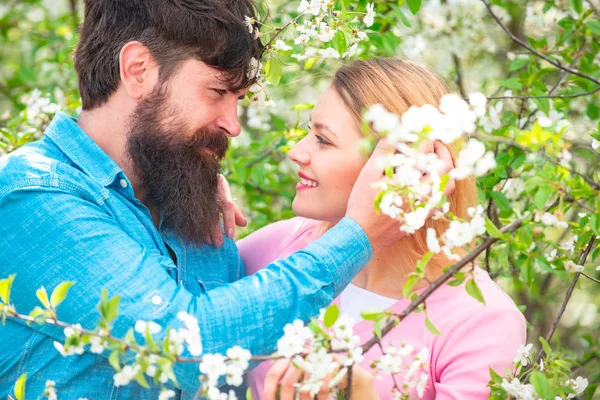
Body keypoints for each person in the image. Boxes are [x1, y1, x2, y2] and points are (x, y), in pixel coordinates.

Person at [0, 2, 423, 399]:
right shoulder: (32, 194)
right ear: (138, 70)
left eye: (238, 100)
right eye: (217, 92)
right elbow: (185, 345)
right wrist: (358, 234)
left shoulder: (190, 203)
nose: (232, 125)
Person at [238, 58, 527, 400]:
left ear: (401, 167)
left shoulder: (480, 323)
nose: (296, 152)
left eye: (323, 140)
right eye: (308, 131)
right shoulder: (277, 249)